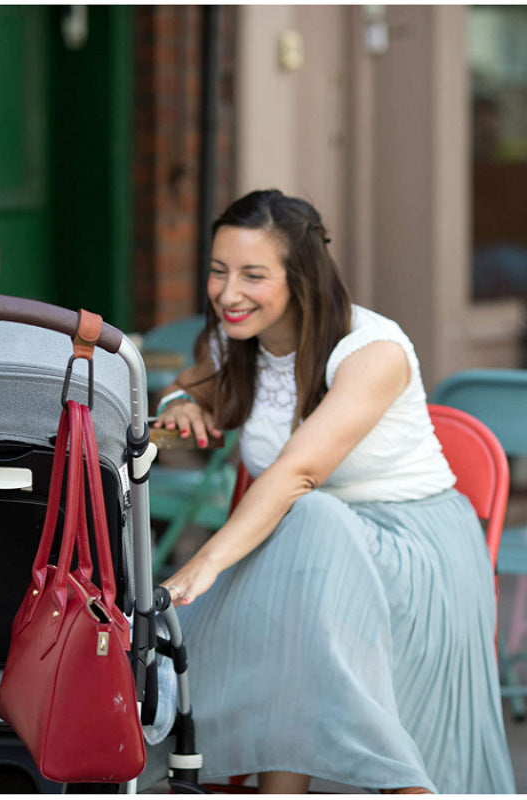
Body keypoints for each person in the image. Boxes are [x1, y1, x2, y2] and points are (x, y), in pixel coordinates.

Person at [143, 189, 515, 793]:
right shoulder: (229, 344)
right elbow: (186, 389)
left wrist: (205, 563)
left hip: (413, 556)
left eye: (253, 275)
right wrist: (181, 402)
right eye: (218, 271)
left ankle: (394, 782)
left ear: (301, 277)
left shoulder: (373, 350)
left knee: (309, 518)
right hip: (303, 561)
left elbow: (297, 475)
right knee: (301, 543)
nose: (228, 293)